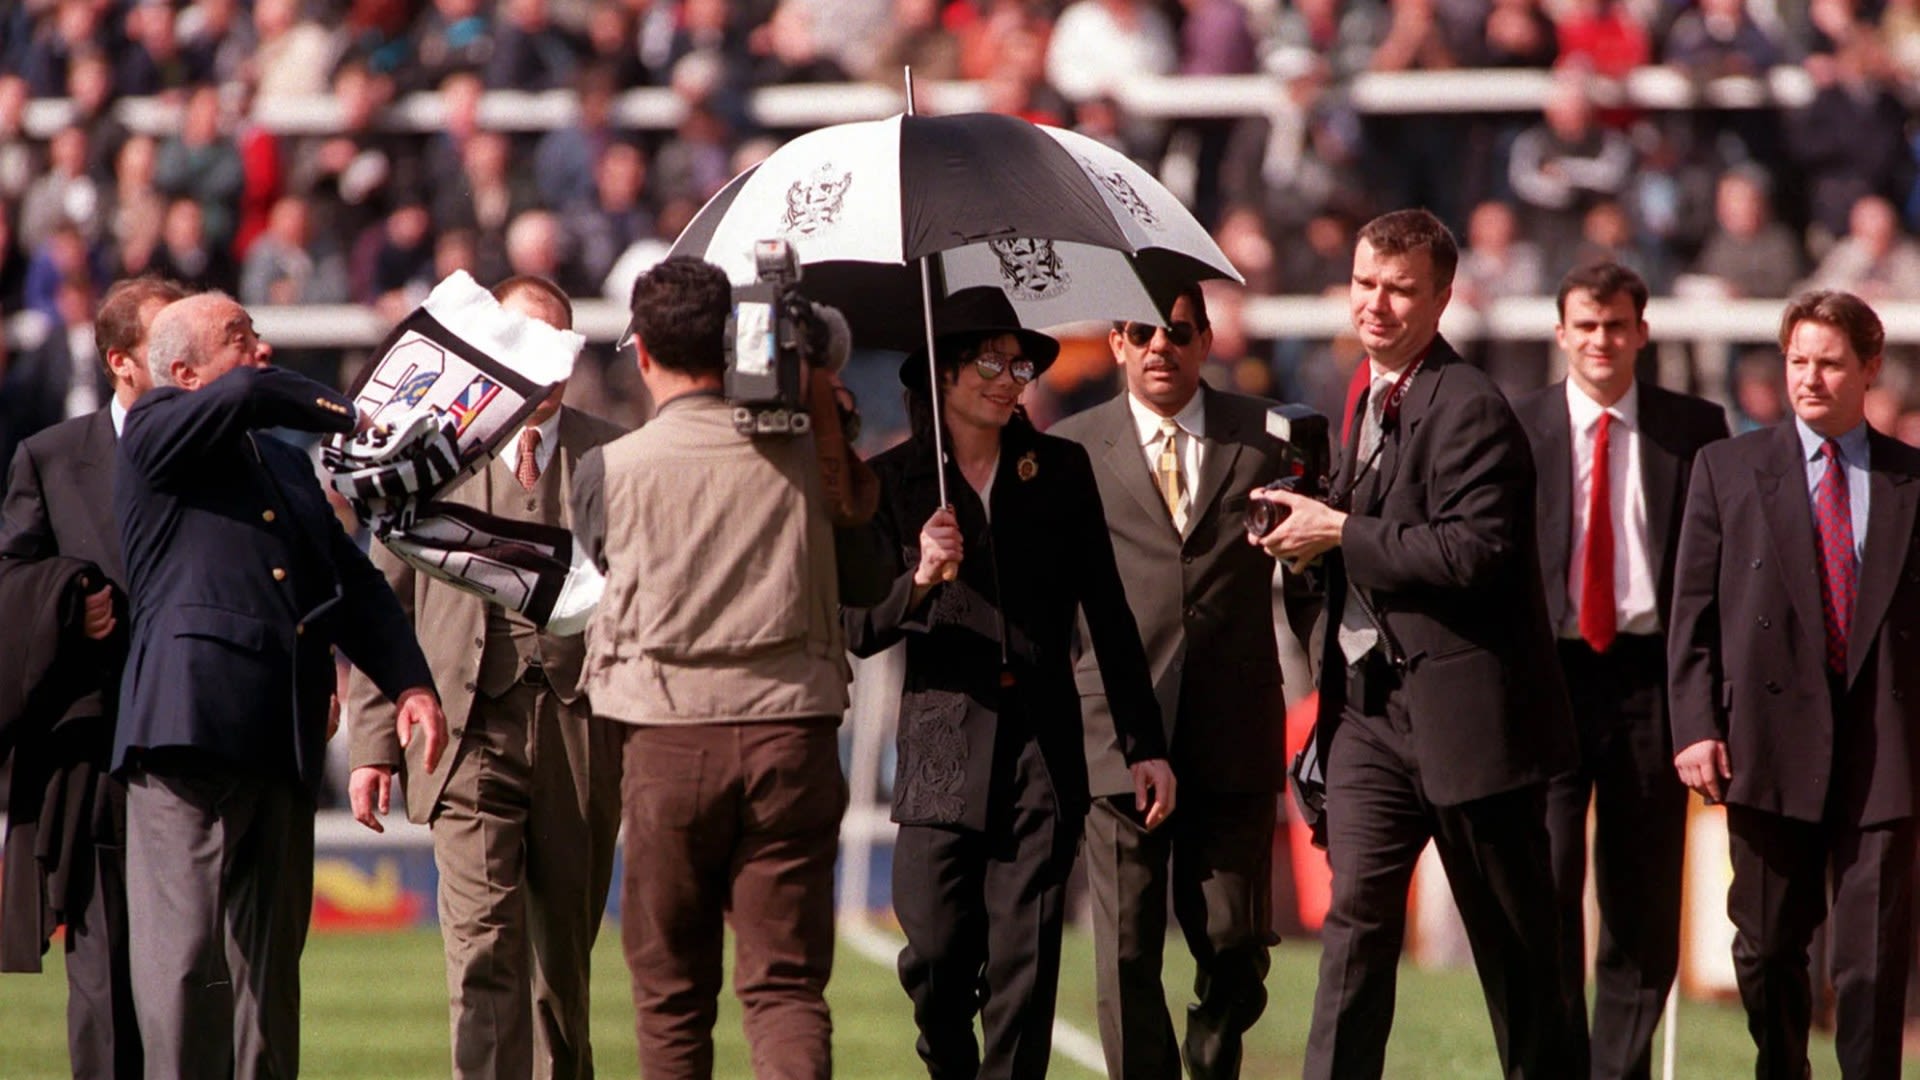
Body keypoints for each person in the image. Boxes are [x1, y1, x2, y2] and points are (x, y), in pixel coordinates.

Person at [1252, 207, 1577, 1079]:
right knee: (1355, 921)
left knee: (1515, 954)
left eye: (1400, 290)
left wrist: (1337, 530)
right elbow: (1358, 540)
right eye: (1366, 284)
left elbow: (1474, 553)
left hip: (1470, 725)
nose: (1378, 305)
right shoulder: (1356, 389)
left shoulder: (1472, 405)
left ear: (1441, 300)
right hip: (1367, 714)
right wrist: (1299, 541)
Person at [113, 291, 447, 1080]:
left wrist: (409, 682)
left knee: (268, 979)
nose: (259, 349)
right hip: (187, 730)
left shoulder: (285, 465)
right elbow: (255, 390)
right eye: (241, 336)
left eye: (258, 335)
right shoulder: (156, 429)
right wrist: (353, 412)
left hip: (284, 736)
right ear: (185, 372)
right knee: (187, 962)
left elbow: (355, 587)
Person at [844, 320, 1176, 1080]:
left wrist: (1143, 741)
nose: (1008, 377)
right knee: (933, 957)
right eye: (989, 361)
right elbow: (857, 627)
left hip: (1042, 746)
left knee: (1024, 966)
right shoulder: (894, 482)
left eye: (1018, 362)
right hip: (939, 740)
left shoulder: (1059, 469)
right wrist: (920, 578)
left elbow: (1109, 610)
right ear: (945, 375)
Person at [571, 256, 870, 1080]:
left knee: (670, 996)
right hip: (792, 733)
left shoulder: (609, 467)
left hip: (665, 743)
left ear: (641, 352)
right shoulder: (809, 449)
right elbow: (861, 519)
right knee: (785, 988)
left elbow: (596, 564)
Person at [345, 276, 626, 1080]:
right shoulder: (427, 460)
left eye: (560, 348)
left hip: (583, 735)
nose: (547, 367)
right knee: (482, 955)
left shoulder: (617, 454)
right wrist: (373, 744)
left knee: (559, 976)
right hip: (462, 736)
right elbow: (380, 606)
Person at [1668, 289, 1920, 1079]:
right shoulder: (1728, 469)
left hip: (1886, 753)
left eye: (1830, 363)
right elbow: (1693, 613)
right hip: (1765, 748)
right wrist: (1694, 725)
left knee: (1871, 967)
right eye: (1797, 361)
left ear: (1871, 368)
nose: (1809, 378)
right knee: (1769, 947)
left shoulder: (1915, 482)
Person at [1048, 284, 1296, 1080]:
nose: (1163, 346)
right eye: (1142, 331)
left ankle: (1212, 1059)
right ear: (1117, 341)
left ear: (1206, 339)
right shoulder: (1071, 447)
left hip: (1234, 734)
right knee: (1124, 951)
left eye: (1180, 332)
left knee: (1233, 943)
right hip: (1117, 732)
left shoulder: (1268, 436)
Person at [1511, 261, 1729, 1080]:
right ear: (1561, 332)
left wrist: (1707, 707)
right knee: (1549, 890)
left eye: (1616, 326)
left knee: (1641, 903)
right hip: (1552, 683)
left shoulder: (1695, 429)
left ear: (1642, 332)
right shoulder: (1518, 426)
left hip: (1653, 682)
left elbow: (1716, 575)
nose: (1601, 341)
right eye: (1586, 325)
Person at [0, 275, 185, 1080]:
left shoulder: (223, 452)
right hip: (96, 751)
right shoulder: (47, 457)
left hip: (198, 746)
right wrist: (69, 597)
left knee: (200, 972)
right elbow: (11, 583)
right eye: (166, 349)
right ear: (122, 363)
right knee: (105, 982)